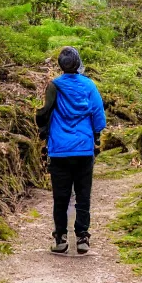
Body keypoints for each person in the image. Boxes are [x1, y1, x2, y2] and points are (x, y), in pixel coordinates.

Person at [36, 46, 106, 255]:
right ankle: (83, 238)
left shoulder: (54, 86)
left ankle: (60, 239)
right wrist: (95, 136)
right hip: (84, 150)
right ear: (78, 63)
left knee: (61, 196)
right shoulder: (89, 85)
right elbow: (98, 116)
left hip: (59, 150)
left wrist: (43, 132)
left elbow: (44, 113)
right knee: (83, 194)